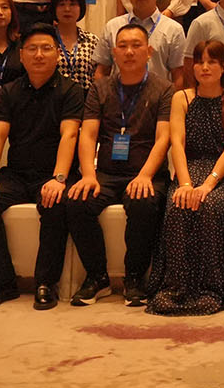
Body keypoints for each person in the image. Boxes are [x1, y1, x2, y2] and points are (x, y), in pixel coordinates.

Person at [0, 24, 84, 309]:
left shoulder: (71, 90)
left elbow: (69, 135)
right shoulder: (8, 92)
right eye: (32, 49)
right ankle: (1, 283)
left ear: (58, 54)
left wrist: (59, 178)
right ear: (22, 55)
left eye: (46, 48)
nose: (39, 55)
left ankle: (45, 283)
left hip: (54, 174)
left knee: (56, 204)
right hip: (17, 173)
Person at [67, 23, 175, 307]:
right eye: (123, 46)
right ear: (114, 52)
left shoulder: (164, 89)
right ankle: (97, 277)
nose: (129, 52)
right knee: (76, 201)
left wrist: (145, 176)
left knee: (143, 202)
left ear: (149, 51)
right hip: (106, 173)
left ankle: (134, 278)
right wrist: (88, 175)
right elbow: (88, 134)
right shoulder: (100, 87)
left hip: (147, 173)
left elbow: (164, 138)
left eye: (136, 45)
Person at [141, 40, 224, 315]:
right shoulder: (182, 98)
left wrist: (208, 185)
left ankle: (213, 288)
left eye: (212, 62)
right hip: (188, 168)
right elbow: (176, 142)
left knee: (209, 207)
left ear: (223, 66)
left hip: (221, 173)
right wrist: (186, 184)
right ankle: (177, 287)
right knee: (178, 206)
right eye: (200, 62)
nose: (205, 67)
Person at [96, 0, 191, 84]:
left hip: (159, 95)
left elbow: (178, 75)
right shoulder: (112, 27)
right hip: (119, 94)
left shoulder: (173, 29)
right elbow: (101, 71)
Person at [50, 0, 104, 87]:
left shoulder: (92, 40)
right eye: (61, 4)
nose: (67, 9)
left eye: (72, 4)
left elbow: (97, 75)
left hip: (85, 95)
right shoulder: (47, 39)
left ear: (81, 7)